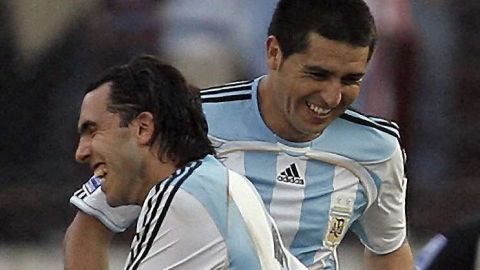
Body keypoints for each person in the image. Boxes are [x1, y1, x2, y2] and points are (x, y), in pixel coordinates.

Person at [64, 0, 414, 269]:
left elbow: (389, 249)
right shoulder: (193, 119)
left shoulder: (378, 150)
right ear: (273, 53)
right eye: (318, 75)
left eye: (351, 79)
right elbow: (90, 229)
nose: (332, 96)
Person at [66, 55, 306, 270]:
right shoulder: (229, 185)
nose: (81, 152)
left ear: (143, 128)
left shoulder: (182, 198)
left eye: (92, 130)